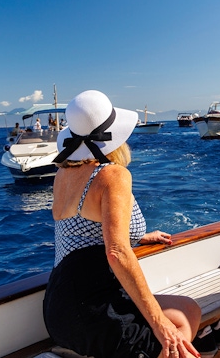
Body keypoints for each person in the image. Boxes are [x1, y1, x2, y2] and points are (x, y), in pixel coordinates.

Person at [43, 90, 202, 358]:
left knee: (188, 312)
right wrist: (160, 325)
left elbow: (86, 230)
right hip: (95, 307)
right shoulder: (112, 175)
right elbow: (115, 253)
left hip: (57, 307)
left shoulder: (63, 174)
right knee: (174, 333)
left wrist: (138, 236)